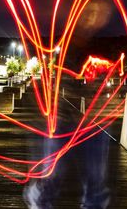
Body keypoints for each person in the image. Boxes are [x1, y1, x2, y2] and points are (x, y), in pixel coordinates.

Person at [23, 79, 111, 209]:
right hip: (65, 114)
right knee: (56, 172)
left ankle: (93, 200)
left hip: (82, 110)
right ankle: (42, 196)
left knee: (93, 175)